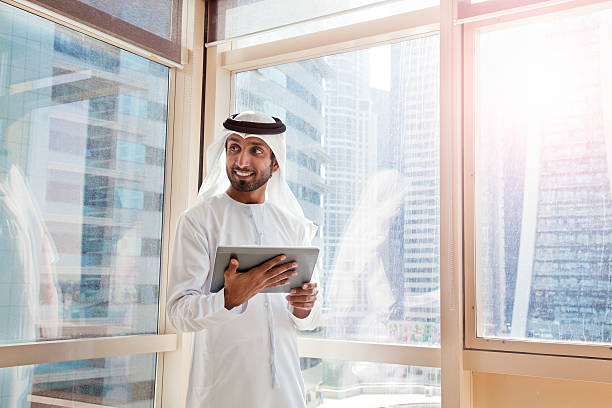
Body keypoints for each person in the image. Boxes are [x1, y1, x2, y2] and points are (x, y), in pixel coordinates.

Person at [166, 111, 321, 407]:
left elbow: (309, 317)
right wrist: (228, 299)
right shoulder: (199, 221)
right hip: (222, 388)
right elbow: (178, 312)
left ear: (275, 163)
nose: (241, 162)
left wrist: (305, 308)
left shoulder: (293, 226)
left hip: (285, 390)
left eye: (255, 150)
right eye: (234, 147)